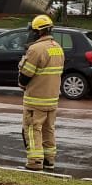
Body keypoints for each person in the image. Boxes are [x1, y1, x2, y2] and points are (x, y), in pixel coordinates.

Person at [18, 14, 64, 171]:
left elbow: (25, 76)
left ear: (38, 32)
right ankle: (49, 160)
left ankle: (35, 162)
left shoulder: (35, 49)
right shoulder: (58, 48)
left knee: (32, 129)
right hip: (52, 100)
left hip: (36, 100)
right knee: (48, 130)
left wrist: (21, 74)